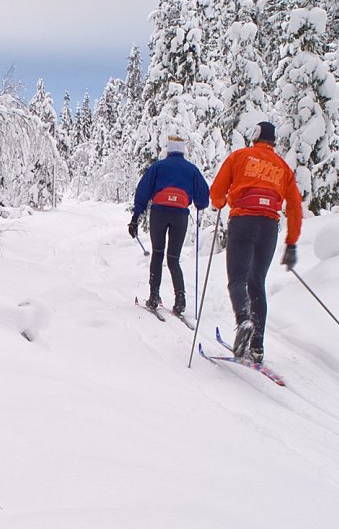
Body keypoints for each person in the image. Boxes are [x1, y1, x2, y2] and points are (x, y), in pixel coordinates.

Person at [208, 120, 303, 363]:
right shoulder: (283, 167)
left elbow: (216, 192)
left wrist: (220, 202)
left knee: (237, 279)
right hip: (269, 227)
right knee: (257, 282)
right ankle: (257, 346)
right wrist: (291, 242)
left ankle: (244, 320)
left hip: (243, 221)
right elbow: (294, 206)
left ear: (255, 136)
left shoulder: (239, 156)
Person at [128, 133, 210, 316]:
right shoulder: (192, 170)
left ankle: (154, 296)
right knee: (173, 258)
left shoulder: (158, 167)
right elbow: (203, 198)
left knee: (157, 254)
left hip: (159, 213)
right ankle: (180, 300)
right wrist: (198, 203)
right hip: (180, 214)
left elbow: (142, 191)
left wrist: (135, 217)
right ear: (182, 151)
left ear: (169, 149)